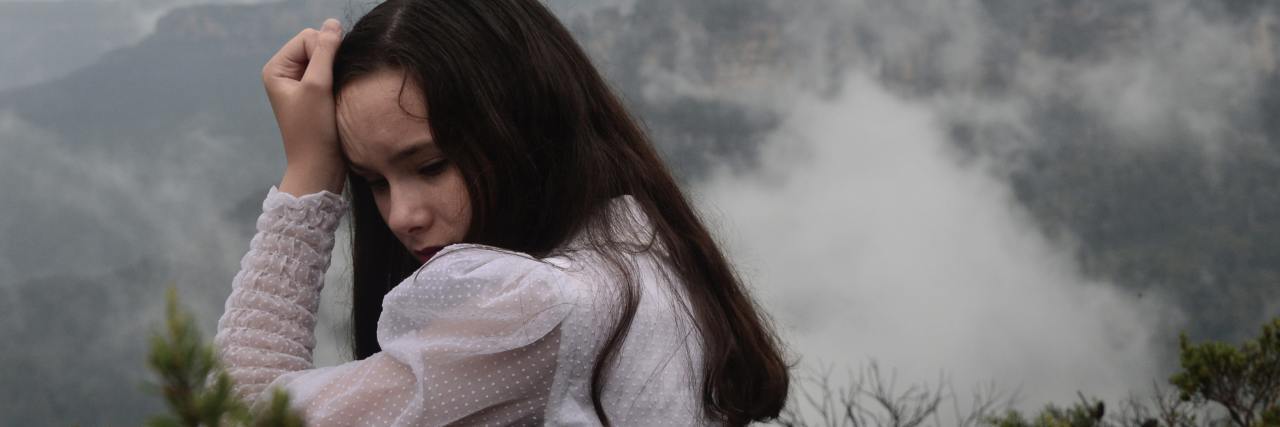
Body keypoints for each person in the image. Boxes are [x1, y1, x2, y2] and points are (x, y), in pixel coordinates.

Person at [213, 0, 790, 425]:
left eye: (432, 165)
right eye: (372, 183)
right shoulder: (636, 246)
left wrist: (310, 175)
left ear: (524, 129)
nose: (400, 216)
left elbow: (234, 411)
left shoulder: (532, 310)